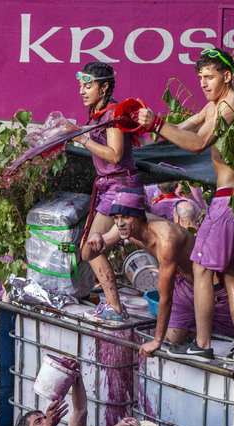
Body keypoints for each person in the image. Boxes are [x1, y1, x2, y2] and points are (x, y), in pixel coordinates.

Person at [137, 49, 234, 363]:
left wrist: (158, 122)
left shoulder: (230, 105)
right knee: (230, 274)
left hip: (230, 200)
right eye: (200, 77)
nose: (204, 83)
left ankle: (202, 345)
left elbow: (198, 143)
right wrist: (145, 131)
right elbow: (184, 129)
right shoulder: (216, 105)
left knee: (201, 267)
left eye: (210, 77)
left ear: (227, 76)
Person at [84, 189, 234, 357]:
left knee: (226, 345)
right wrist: (95, 238)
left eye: (125, 217)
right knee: (172, 340)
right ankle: (193, 334)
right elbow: (87, 255)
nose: (120, 223)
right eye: (117, 218)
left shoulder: (166, 239)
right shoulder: (124, 229)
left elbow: (165, 296)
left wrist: (156, 341)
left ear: (140, 217)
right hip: (185, 287)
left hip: (214, 290)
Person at [63, 61, 141, 324]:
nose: (82, 91)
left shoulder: (112, 115)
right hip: (110, 188)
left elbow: (116, 155)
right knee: (88, 251)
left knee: (90, 250)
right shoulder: (98, 113)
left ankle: (115, 309)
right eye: (80, 86)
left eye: (89, 86)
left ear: (104, 87)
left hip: (122, 188)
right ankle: (114, 307)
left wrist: (82, 138)